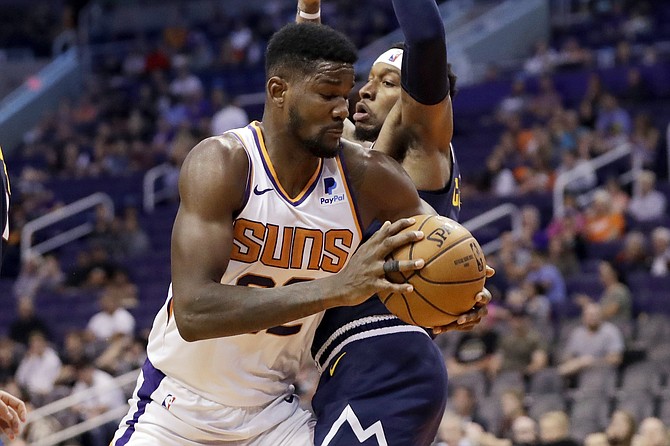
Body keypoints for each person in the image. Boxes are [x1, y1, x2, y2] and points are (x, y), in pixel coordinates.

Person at [112, 22, 436, 445]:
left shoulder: (367, 177)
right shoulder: (224, 163)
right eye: (327, 95)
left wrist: (461, 295)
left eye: (345, 94)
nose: (343, 108)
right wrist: (337, 288)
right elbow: (193, 312)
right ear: (279, 91)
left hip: (273, 415)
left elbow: (440, 238)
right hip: (176, 410)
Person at [296, 0, 492, 444]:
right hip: (348, 363)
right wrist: (308, 14)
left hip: (387, 353)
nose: (364, 91)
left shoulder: (420, 143)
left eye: (387, 84)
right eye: (366, 81)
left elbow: (425, 38)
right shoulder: (357, 156)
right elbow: (300, 98)